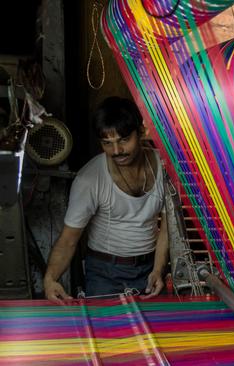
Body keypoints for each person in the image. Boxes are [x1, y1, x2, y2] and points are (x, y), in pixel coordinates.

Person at [44, 97, 168, 303]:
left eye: (123, 140)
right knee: (106, 334)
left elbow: (167, 227)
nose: (116, 151)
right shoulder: (89, 179)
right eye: (107, 143)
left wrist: (158, 269)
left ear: (142, 131)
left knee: (154, 333)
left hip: (149, 269)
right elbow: (68, 240)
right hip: (105, 274)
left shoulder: (164, 167)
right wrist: (50, 279)